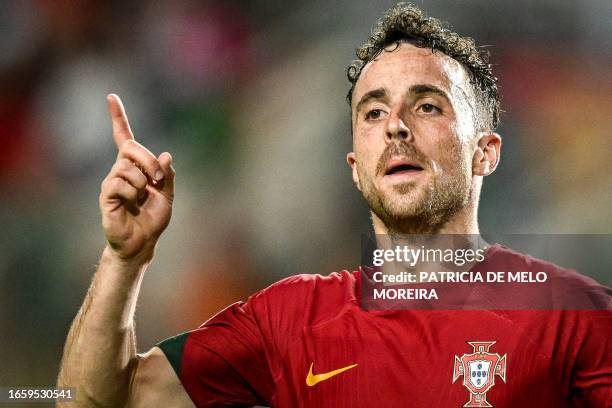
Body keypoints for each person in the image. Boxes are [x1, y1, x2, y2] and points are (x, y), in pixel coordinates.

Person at [57, 3, 611, 407]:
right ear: (355, 166)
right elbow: (94, 402)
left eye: (426, 105)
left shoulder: (573, 315)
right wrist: (123, 261)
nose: (395, 126)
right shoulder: (289, 319)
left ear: (485, 153)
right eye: (372, 112)